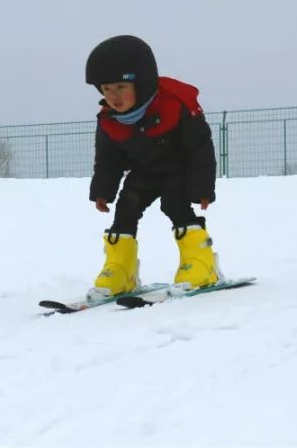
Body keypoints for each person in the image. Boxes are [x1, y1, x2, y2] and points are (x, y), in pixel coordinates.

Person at [84, 35, 222, 298]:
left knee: (174, 205)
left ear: (142, 82)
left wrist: (202, 187)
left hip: (177, 170)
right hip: (143, 173)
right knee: (127, 208)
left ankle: (201, 261)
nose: (114, 96)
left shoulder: (175, 105)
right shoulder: (110, 120)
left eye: (121, 87)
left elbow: (199, 148)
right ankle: (121, 268)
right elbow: (108, 160)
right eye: (107, 88)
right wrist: (103, 191)